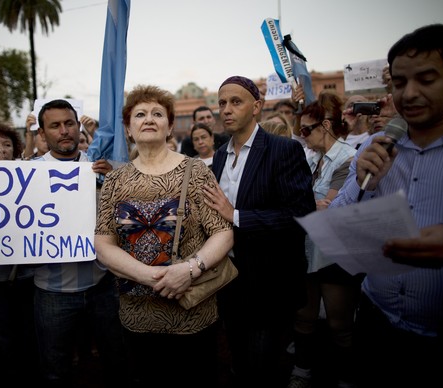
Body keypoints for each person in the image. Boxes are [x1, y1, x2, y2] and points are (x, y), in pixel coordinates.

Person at [329, 24, 443, 387]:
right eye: (399, 83)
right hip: (376, 323)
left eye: (426, 79)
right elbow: (337, 225)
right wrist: (361, 184)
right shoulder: (377, 145)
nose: (410, 93)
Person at [94, 84, 233, 387]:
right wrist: (151, 277)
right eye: (140, 114)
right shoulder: (116, 180)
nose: (149, 119)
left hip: (192, 314)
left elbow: (222, 232)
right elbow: (103, 244)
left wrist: (188, 269)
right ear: (129, 128)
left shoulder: (195, 171)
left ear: (170, 126)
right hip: (137, 317)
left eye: (158, 113)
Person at [204, 76, 315, 386]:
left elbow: (300, 214)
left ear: (257, 107)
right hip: (227, 278)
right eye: (222, 103)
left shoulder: (283, 150)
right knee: (238, 361)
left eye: (235, 102)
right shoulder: (219, 156)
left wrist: (235, 215)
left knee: (262, 367)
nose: (226, 109)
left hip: (268, 280)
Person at [32, 99, 129, 388]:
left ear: (78, 126)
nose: (64, 131)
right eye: (55, 125)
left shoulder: (100, 167)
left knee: (117, 362)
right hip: (52, 291)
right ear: (42, 133)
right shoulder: (27, 173)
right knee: (55, 369)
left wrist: (115, 180)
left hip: (102, 284)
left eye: (69, 123)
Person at [287, 92, 361, 388]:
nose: (302, 135)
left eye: (307, 129)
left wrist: (299, 203)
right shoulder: (312, 156)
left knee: (339, 324)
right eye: (301, 130)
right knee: (303, 317)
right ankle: (302, 370)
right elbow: (308, 201)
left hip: (334, 252)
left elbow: (329, 207)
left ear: (326, 125)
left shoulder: (348, 158)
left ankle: (346, 377)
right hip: (307, 250)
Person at [0, 123, 40, 388]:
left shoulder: (29, 176)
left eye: (5, 144)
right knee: (1, 337)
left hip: (24, 275)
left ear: (15, 150)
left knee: (29, 333)